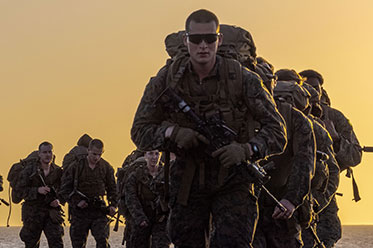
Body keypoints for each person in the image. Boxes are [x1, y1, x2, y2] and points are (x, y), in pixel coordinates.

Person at [131, 9, 287, 247]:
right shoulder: (167, 79)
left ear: (219, 40)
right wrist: (173, 133)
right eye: (196, 39)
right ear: (186, 40)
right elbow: (139, 131)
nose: (203, 45)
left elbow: (277, 132)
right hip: (187, 180)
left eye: (209, 39)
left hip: (233, 180)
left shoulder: (242, 79)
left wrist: (247, 150)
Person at [252, 65, 315, 248]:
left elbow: (304, 163)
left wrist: (291, 199)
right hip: (240, 204)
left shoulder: (294, 119)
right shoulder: (237, 115)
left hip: (279, 204)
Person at [300, 69, 362, 247]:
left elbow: (355, 156)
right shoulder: (289, 113)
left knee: (324, 239)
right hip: (287, 196)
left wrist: (335, 139)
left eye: (315, 88)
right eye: (306, 87)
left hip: (323, 194)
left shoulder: (335, 117)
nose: (311, 92)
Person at [59, 138, 117, 248]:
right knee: (78, 244)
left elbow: (113, 189)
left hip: (99, 211)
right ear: (88, 150)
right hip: (80, 213)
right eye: (94, 154)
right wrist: (76, 202)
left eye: (100, 154)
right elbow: (64, 190)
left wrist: (113, 205)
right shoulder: (76, 167)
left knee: (102, 241)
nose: (96, 158)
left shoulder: (106, 167)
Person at [16, 141, 64, 248]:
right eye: (44, 152)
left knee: (57, 243)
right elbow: (19, 191)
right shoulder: (30, 171)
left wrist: (58, 201)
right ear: (39, 154)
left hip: (51, 213)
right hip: (33, 213)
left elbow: (64, 191)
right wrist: (37, 190)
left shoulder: (57, 171)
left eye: (49, 152)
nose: (47, 155)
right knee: (31, 244)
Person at [125, 150, 170, 248]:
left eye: (157, 154)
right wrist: (140, 218)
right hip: (142, 218)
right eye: (150, 154)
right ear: (145, 155)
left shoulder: (166, 174)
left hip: (161, 219)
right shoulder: (136, 175)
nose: (154, 157)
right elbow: (131, 198)